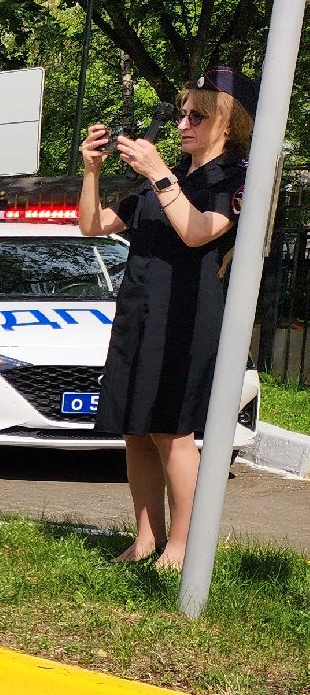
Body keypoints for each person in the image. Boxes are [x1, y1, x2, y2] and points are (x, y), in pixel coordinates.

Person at [77, 67, 255, 569]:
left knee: (171, 431)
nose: (182, 124)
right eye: (182, 114)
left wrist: (159, 174)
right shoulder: (177, 177)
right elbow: (93, 226)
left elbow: (199, 232)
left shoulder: (234, 178)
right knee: (135, 426)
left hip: (186, 314)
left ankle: (183, 547)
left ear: (228, 122)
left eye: (196, 115)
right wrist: (90, 170)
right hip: (139, 309)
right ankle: (145, 539)